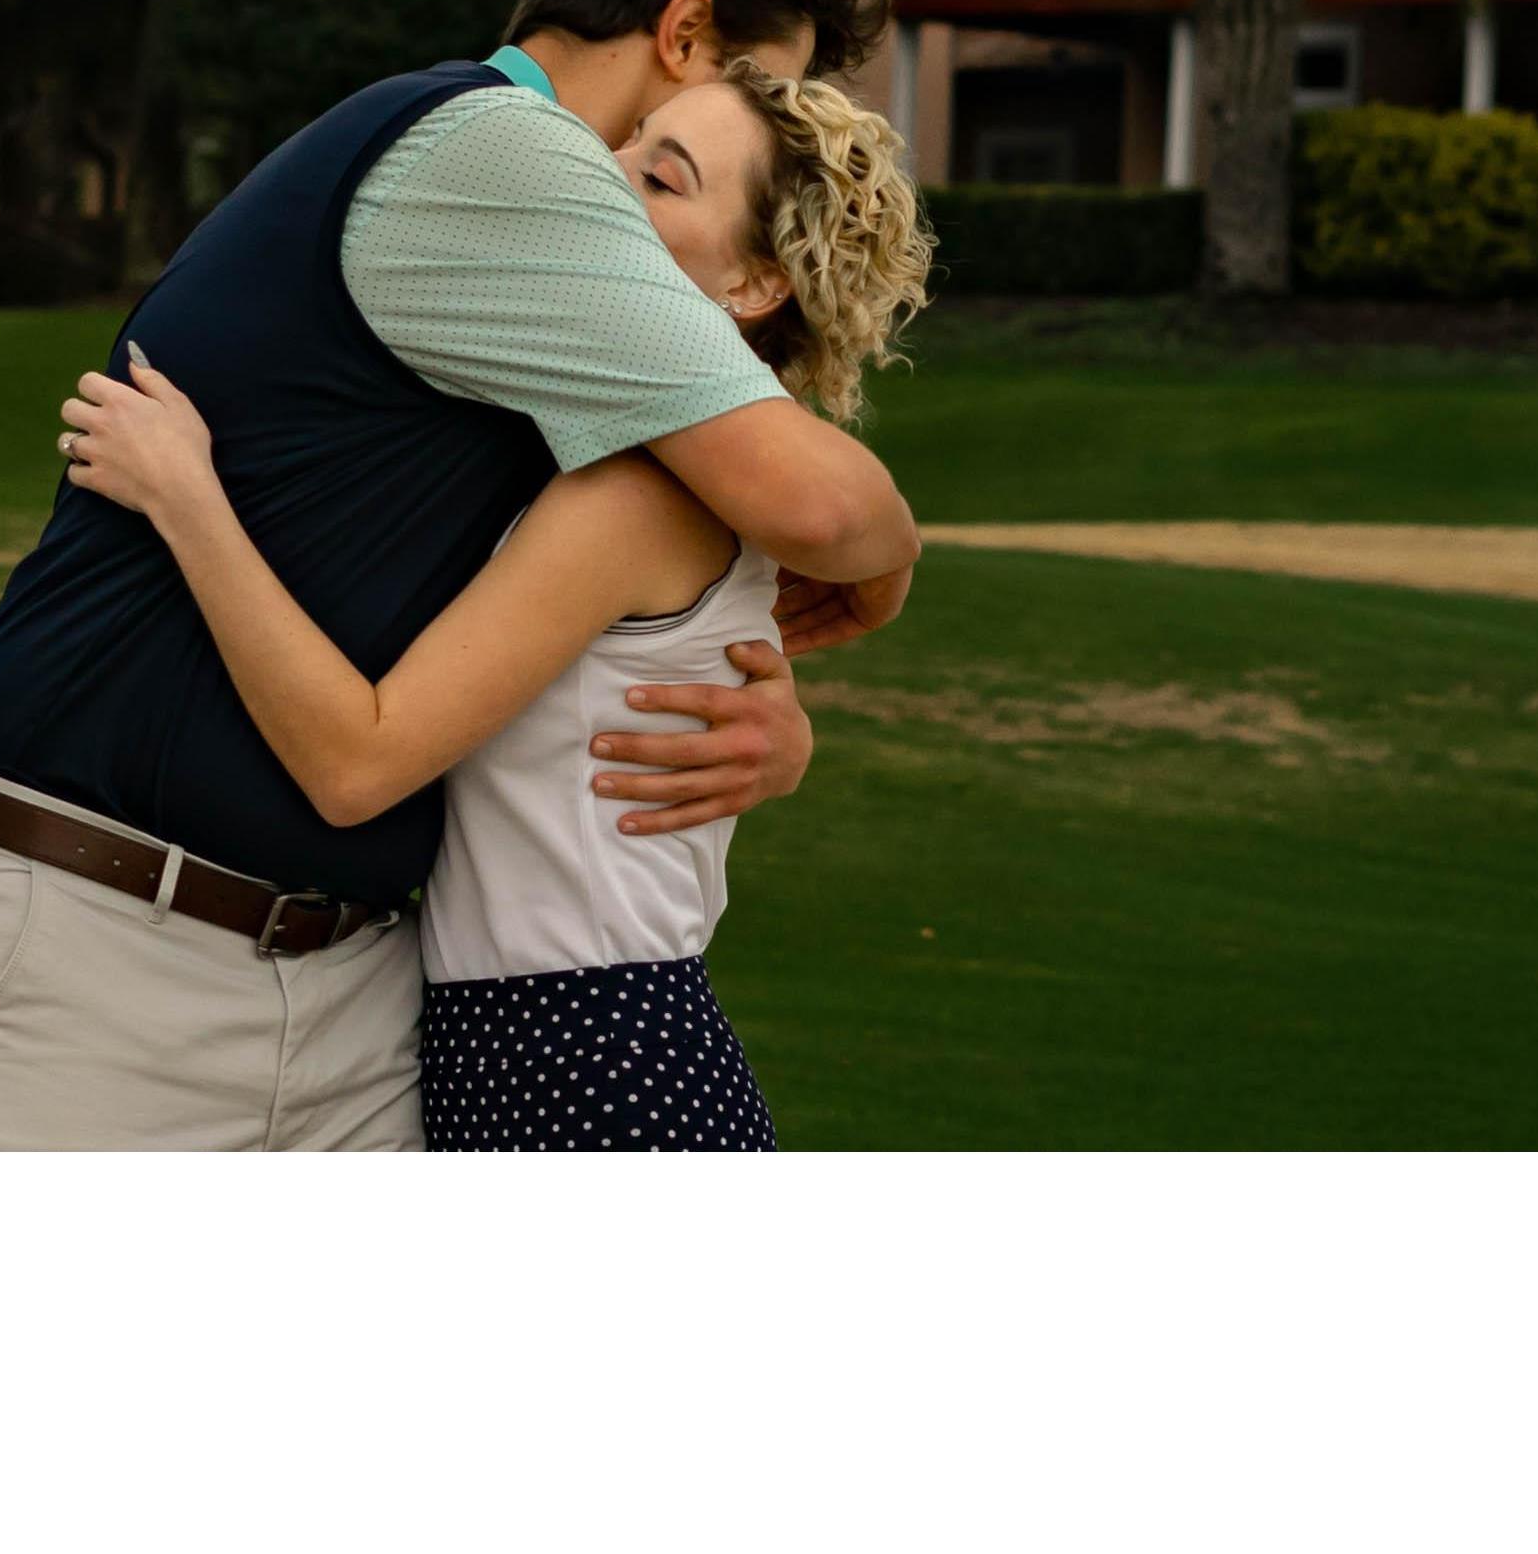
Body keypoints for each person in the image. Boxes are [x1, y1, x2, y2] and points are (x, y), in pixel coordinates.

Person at [0, 0, 922, 1152]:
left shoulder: (587, 322)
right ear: (685, 34)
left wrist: (767, 702)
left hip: (359, 999)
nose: (778, 125)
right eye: (760, 84)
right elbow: (823, 507)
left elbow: (611, 622)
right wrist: (876, 576)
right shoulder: (501, 154)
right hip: (97, 951)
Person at [53, 63, 931, 1149]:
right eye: (627, 139)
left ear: (754, 283)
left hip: (593, 1064)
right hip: (534, 1045)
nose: (599, 170)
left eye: (661, 177)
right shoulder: (632, 469)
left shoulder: (635, 500)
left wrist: (187, 500)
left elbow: (357, 763)